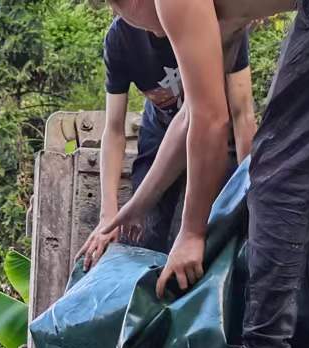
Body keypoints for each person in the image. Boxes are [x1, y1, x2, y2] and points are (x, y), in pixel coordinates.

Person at [85, 0, 309, 348]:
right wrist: (135, 206)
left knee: (276, 172)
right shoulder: (220, 20)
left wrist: (192, 232)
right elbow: (188, 117)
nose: (152, 34)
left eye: (125, 15)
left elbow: (213, 120)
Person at [98, 16, 257, 254]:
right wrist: (108, 214)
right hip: (160, 128)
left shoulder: (214, 19)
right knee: (143, 228)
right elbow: (113, 130)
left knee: (221, 223)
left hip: (217, 126)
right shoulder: (121, 38)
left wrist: (248, 190)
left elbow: (242, 114)